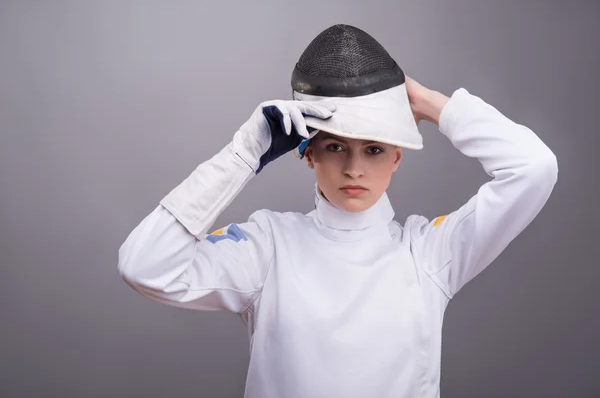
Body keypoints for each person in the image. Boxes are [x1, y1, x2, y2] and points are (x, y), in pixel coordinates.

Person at [117, 25, 558, 398]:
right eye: (334, 146)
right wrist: (242, 154)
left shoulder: (428, 254)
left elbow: (533, 168)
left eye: (373, 148)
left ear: (397, 157)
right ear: (307, 154)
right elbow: (145, 267)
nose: (354, 168)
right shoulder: (268, 247)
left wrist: (425, 102)